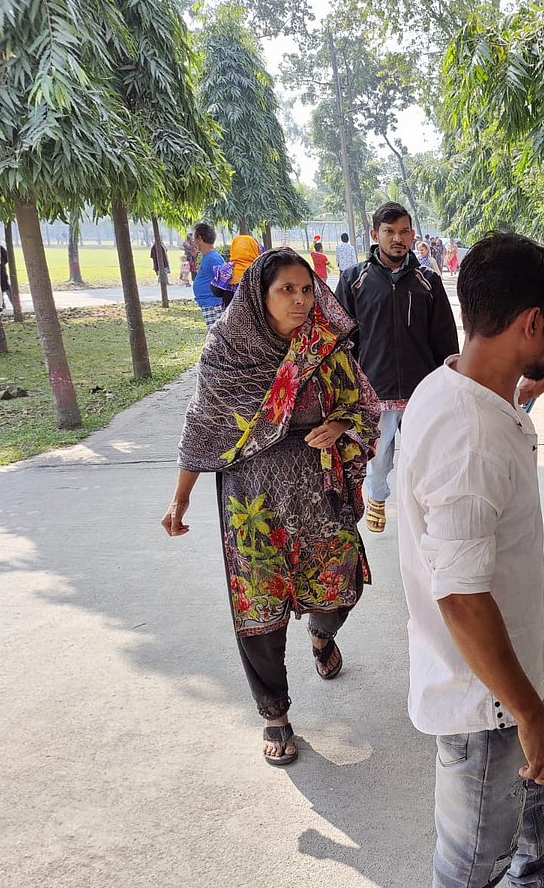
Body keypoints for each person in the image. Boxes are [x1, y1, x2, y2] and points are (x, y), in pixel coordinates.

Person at [396, 232, 544, 888]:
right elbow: (460, 596)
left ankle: (536, 877)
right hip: (486, 704)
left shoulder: (451, 383)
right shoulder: (472, 439)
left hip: (505, 674)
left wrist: (517, 401)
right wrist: (531, 715)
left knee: (529, 808)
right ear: (529, 323)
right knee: (468, 864)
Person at [161, 247, 380, 765]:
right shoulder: (227, 353)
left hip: (317, 494)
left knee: (339, 590)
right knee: (258, 608)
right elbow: (202, 429)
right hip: (251, 502)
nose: (301, 300)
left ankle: (322, 636)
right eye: (287, 290)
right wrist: (180, 498)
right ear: (260, 295)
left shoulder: (323, 347)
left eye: (307, 289)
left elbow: (365, 405)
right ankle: (275, 714)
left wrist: (343, 425)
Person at [335, 202, 459, 533]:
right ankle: (377, 497)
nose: (397, 238)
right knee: (377, 460)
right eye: (389, 232)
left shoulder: (427, 281)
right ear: (375, 235)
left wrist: (447, 386)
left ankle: (428, 509)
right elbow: (341, 340)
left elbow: (445, 340)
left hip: (422, 391)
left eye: (404, 231)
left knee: (428, 457)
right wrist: (347, 389)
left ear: (412, 235)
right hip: (374, 390)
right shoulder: (353, 281)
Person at [213, 232, 262, 309]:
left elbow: (217, 292)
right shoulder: (260, 271)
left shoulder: (226, 270)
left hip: (231, 317)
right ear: (255, 249)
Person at [191, 223, 226, 330]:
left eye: (194, 238)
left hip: (213, 304)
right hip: (208, 304)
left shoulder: (213, 258)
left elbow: (223, 281)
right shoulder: (207, 257)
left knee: (217, 336)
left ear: (199, 238)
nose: (193, 241)